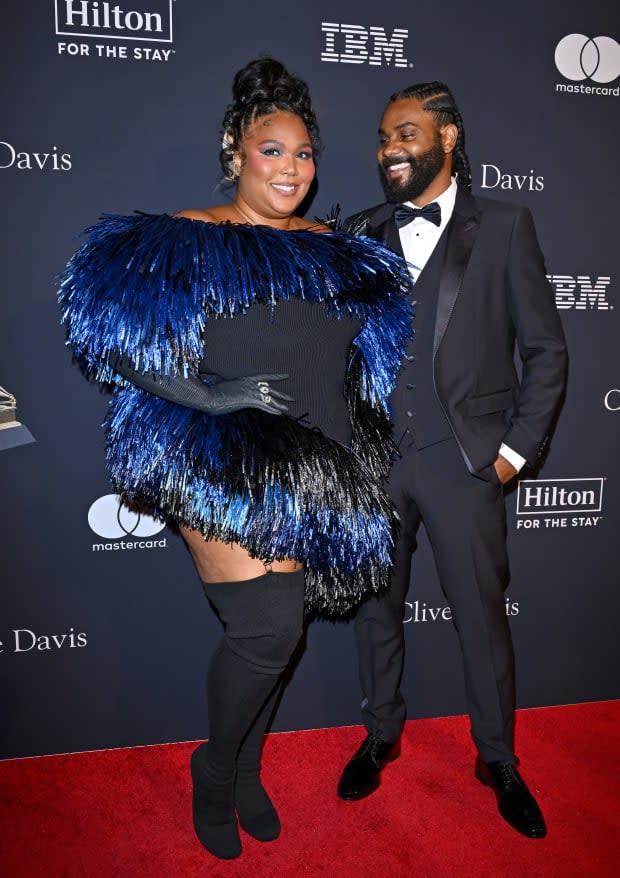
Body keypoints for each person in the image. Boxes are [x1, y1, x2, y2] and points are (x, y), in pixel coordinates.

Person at [58, 58, 412, 860]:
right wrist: (214, 399)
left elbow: (368, 362)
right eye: (271, 151)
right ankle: (215, 773)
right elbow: (111, 340)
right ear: (237, 153)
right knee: (267, 629)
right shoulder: (189, 236)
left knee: (278, 638)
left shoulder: (340, 249)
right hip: (219, 457)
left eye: (304, 153)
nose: (291, 168)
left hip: (317, 465)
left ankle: (246, 765)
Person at [337, 81, 567, 839]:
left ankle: (497, 758)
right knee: (377, 612)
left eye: (406, 132)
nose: (390, 149)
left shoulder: (504, 225)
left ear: (448, 137)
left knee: (480, 621)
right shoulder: (360, 231)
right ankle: (381, 733)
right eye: (381, 137)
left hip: (464, 463)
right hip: (376, 464)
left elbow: (545, 351)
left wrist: (511, 456)